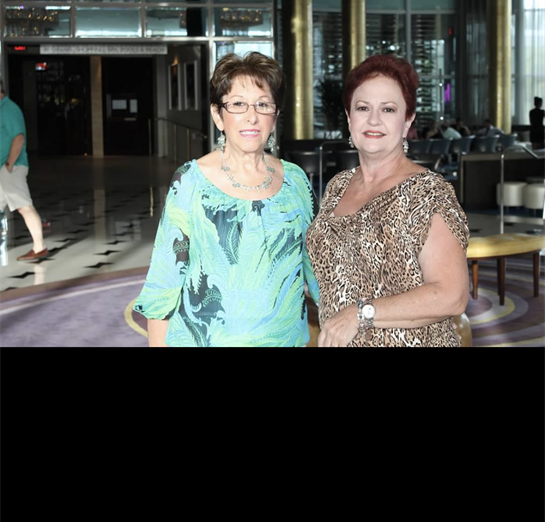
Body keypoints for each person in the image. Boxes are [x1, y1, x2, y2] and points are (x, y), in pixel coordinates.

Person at [134, 52, 319, 347]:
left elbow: (317, 269)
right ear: (218, 116)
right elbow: (165, 283)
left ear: (275, 115)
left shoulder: (295, 181)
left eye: (263, 104)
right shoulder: (191, 181)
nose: (251, 115)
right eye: (237, 104)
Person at [305, 54, 469, 347]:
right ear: (349, 117)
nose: (374, 120)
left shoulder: (428, 192)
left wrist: (359, 314)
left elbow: (451, 295)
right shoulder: (338, 186)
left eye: (388, 109)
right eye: (363, 107)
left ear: (408, 121)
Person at [0, 76, 48, 261]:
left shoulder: (8, 109)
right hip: (5, 169)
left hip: (12, 168)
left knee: (24, 206)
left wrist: (9, 166)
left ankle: (39, 247)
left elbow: (18, 139)